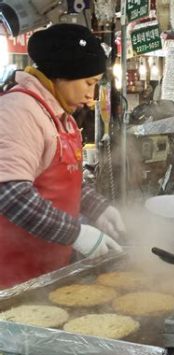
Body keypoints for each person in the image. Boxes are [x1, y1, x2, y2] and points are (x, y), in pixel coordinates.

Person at [0, 24, 125, 288]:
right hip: (10, 277)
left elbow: (61, 180)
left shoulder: (59, 115)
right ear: (62, 75)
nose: (91, 96)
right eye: (88, 83)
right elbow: (9, 193)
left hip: (46, 272)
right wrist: (76, 233)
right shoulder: (18, 111)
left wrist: (97, 206)